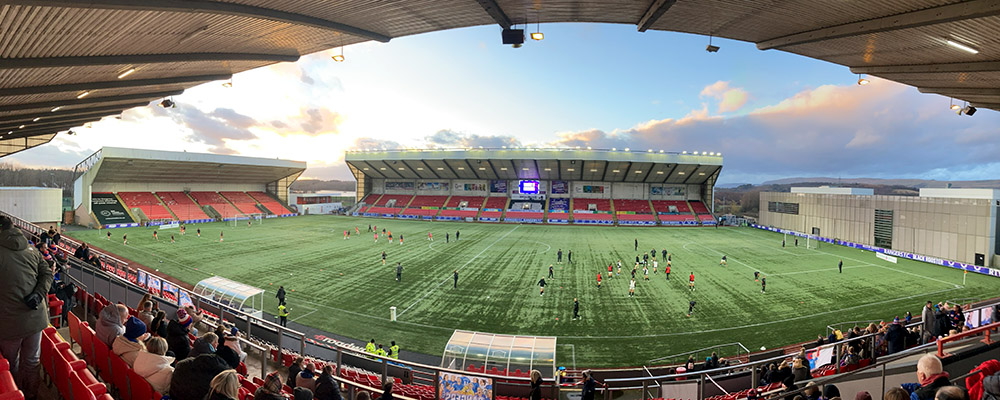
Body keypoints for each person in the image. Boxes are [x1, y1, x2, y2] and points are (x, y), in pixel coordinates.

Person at [0, 215, 53, 400]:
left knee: (10, 365)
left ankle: (17, 395)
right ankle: (31, 395)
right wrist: (39, 294)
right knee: (31, 362)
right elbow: (47, 273)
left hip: (9, 322)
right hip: (35, 318)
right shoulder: (31, 248)